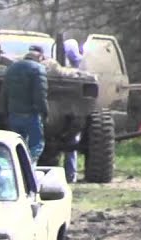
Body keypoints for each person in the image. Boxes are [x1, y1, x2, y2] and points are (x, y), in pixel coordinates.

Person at [3, 46, 48, 163]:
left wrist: (6, 112)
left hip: (14, 114)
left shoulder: (11, 68)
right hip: (31, 115)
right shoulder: (38, 69)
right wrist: (45, 112)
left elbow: (4, 92)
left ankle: (18, 171)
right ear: (39, 57)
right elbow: (40, 94)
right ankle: (30, 171)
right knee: (36, 146)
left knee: (17, 146)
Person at [62, 38, 84, 182]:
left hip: (65, 110)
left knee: (71, 143)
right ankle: (71, 175)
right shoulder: (80, 67)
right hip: (73, 111)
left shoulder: (55, 66)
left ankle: (71, 174)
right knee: (71, 143)